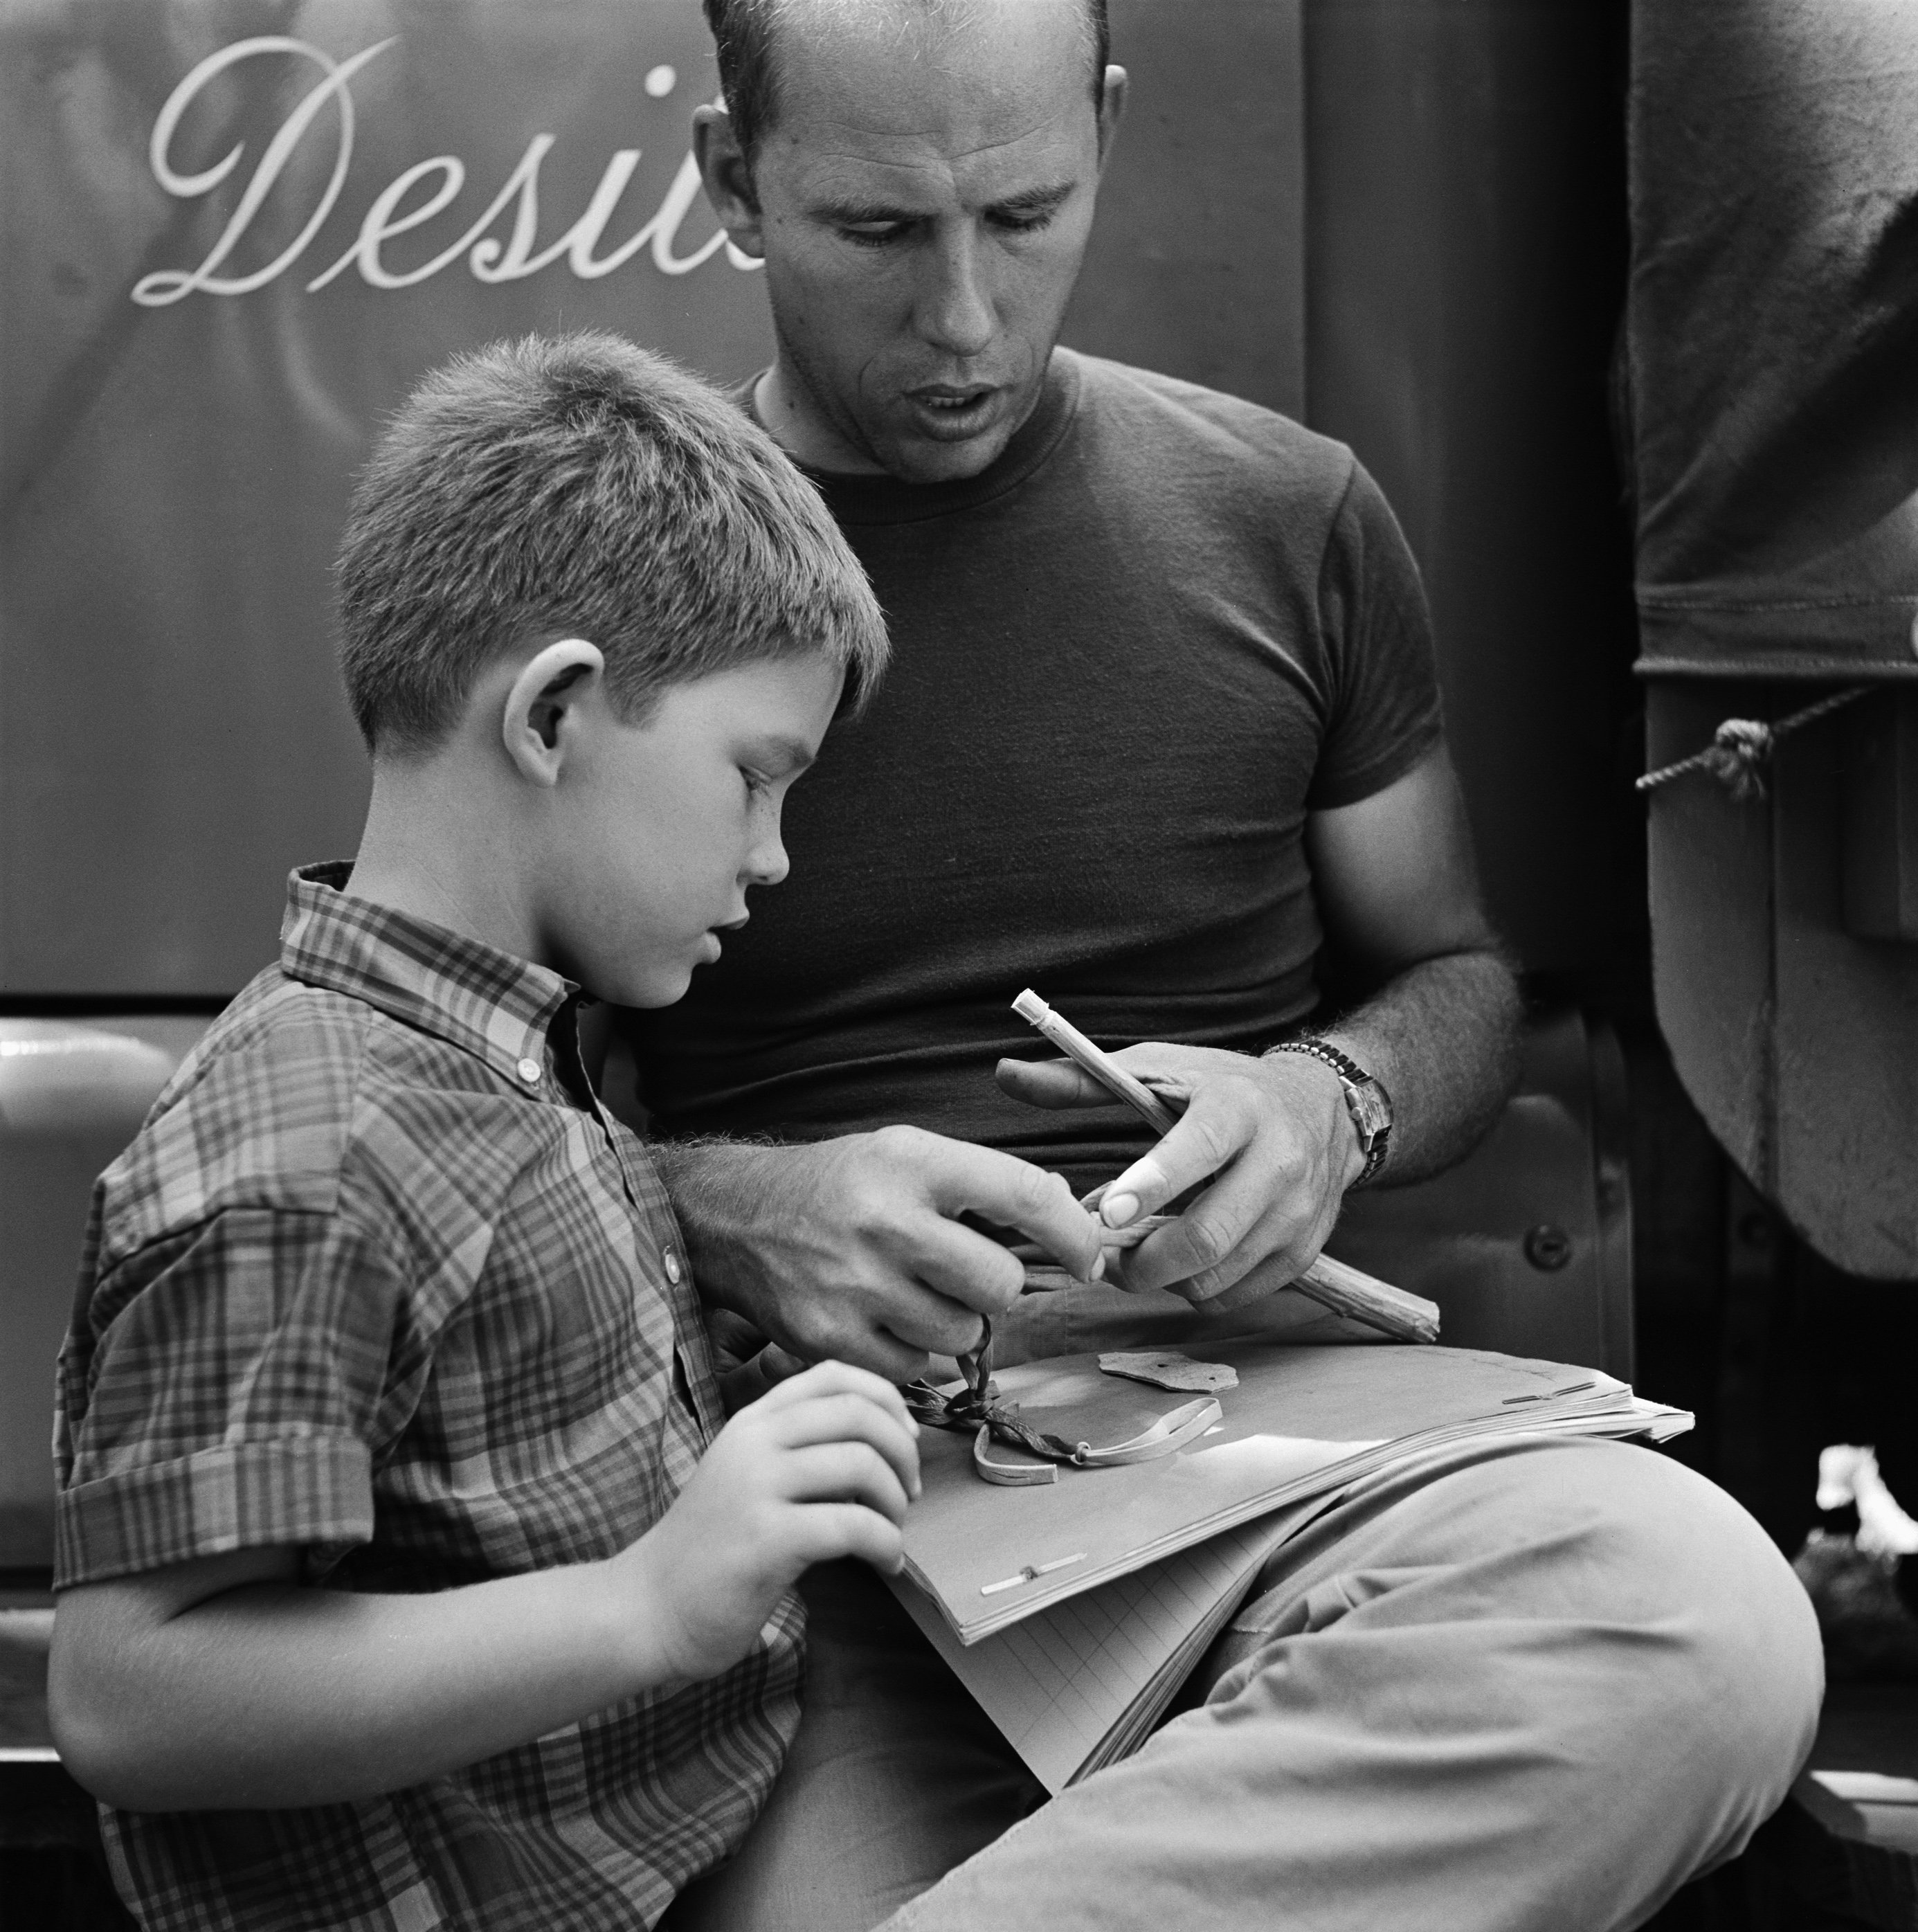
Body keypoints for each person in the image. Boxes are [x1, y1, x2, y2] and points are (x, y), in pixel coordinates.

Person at [629, 3, 1827, 1929]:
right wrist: (730, 1205)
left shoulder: (1285, 519)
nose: (960, 319)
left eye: (1022, 214)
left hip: (1259, 1463)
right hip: (821, 1510)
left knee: (1699, 1619)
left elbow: (1455, 983)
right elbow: (429, 1107)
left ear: (1105, 130)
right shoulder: (602, 574)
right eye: (875, 232)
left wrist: (1320, 1104)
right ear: (726, 181)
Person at [46, 332, 1101, 1932]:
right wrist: (650, 1601)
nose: (775, 859)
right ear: (554, 715)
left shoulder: (512, 1041)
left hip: (707, 1809)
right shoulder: (306, 1147)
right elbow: (136, 1695)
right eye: (757, 780)